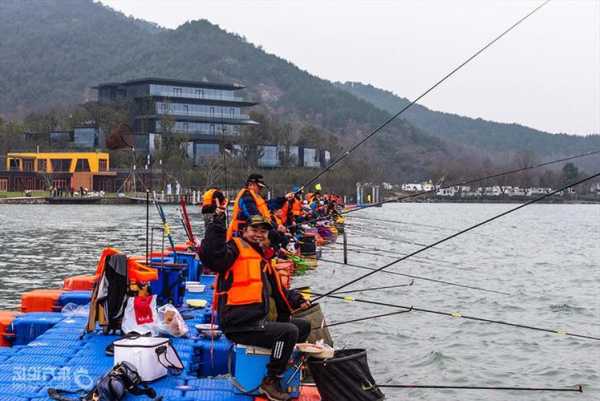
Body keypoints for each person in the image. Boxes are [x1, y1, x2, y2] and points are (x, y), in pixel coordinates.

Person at [200, 212, 310, 401]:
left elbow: (276, 289)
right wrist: (216, 225)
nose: (259, 234)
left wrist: (295, 298)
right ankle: (271, 380)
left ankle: (282, 362)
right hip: (239, 323)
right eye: (254, 230)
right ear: (244, 230)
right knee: (288, 332)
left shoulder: (260, 257)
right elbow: (212, 257)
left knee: (303, 326)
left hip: (256, 320)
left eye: (263, 231)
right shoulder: (234, 248)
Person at [227, 174, 273, 240]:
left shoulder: (255, 197)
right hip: (242, 235)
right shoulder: (246, 197)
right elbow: (253, 215)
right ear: (250, 184)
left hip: (253, 233)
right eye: (259, 187)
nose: (261, 189)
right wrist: (273, 229)